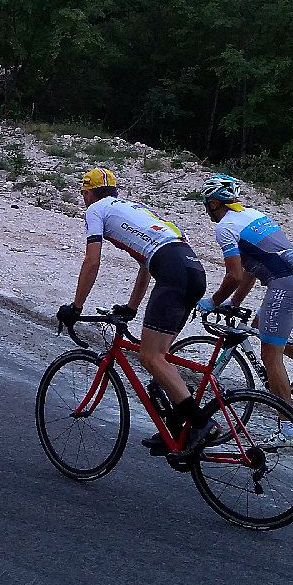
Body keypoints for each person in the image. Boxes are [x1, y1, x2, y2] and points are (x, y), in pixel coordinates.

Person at [56, 167, 215, 458]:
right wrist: (131, 307)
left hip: (173, 274)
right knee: (160, 356)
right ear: (115, 191)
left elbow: (92, 262)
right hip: (193, 270)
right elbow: (146, 262)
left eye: (83, 195)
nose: (84, 200)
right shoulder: (135, 208)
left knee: (149, 357)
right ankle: (178, 427)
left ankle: (202, 423)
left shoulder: (95, 210)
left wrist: (75, 307)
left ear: (88, 193)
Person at [191, 174, 293, 445]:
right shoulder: (253, 214)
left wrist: (212, 302)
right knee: (264, 327)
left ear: (214, 203)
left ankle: (289, 428)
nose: (206, 209)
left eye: (206, 203)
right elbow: (250, 268)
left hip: (284, 285)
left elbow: (234, 275)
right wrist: (234, 303)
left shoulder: (225, 227)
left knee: (270, 356)